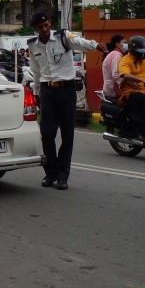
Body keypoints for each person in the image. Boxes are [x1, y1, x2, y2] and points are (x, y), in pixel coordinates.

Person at [27, 11, 107, 190]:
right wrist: (37, 93)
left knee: (67, 133)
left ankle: (62, 175)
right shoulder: (33, 45)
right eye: (40, 27)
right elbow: (36, 72)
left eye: (46, 25)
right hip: (47, 91)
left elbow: (79, 42)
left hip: (66, 90)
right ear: (35, 29)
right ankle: (51, 172)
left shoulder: (63, 37)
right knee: (47, 133)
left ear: (50, 23)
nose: (44, 29)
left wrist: (95, 45)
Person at [100, 35, 127, 99]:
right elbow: (115, 75)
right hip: (114, 91)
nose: (126, 45)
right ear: (117, 44)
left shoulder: (112, 54)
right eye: (124, 43)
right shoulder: (117, 55)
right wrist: (129, 83)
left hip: (109, 89)